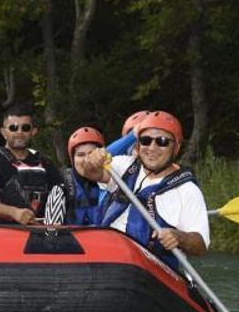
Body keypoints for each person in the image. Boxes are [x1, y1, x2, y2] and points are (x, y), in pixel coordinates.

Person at [82, 111, 209, 272]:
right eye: (145, 140)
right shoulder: (124, 166)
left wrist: (180, 237)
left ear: (176, 148)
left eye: (162, 141)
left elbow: (201, 245)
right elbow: (89, 172)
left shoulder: (187, 190)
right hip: (108, 258)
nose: (152, 148)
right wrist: (92, 161)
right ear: (138, 145)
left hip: (152, 273)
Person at [0, 104, 63, 225]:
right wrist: (14, 213)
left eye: (25, 128)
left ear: (33, 131)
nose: (19, 132)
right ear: (3, 132)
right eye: (13, 128)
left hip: (41, 235)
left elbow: (62, 195)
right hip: (2, 235)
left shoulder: (46, 164)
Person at [45, 127, 105, 226]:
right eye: (80, 155)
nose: (86, 160)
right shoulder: (61, 189)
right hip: (71, 240)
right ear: (72, 159)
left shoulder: (110, 185)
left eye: (91, 154)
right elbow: (51, 235)